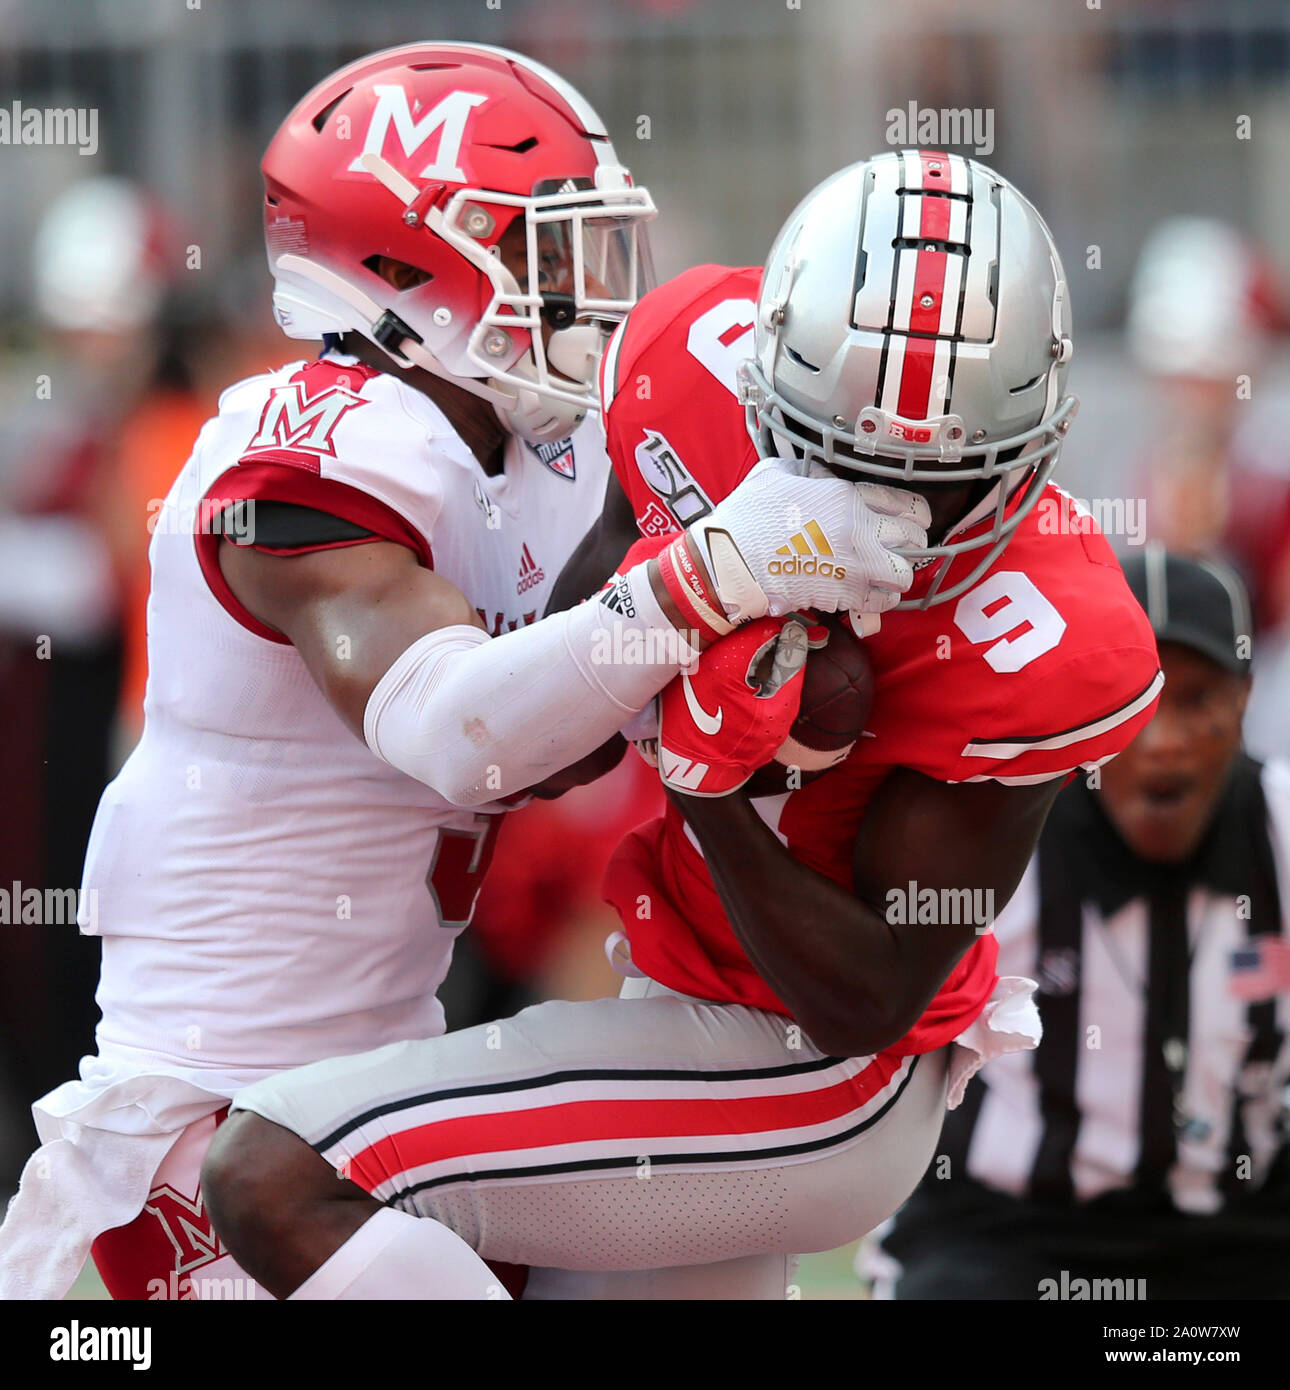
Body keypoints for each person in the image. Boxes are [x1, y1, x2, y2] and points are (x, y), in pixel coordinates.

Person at [0, 42, 899, 1303]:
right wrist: (712, 577)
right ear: (409, 262)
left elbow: (570, 716)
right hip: (210, 1132)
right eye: (545, 251)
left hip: (401, 1098)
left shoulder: (535, 450)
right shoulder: (309, 452)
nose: (587, 292)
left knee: (711, 1219)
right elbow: (458, 730)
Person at [201, 151, 1161, 1302]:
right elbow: (555, 752)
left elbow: (870, 998)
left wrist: (710, 782)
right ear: (763, 387)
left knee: (279, 1169)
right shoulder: (689, 366)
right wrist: (686, 601)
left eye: (944, 483)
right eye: (843, 463)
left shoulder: (1051, 626)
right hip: (680, 983)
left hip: (826, 1078)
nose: (890, 510)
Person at [871, 547, 1290, 1301]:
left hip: (1239, 1239)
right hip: (1014, 1236)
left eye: (1198, 700)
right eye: (1142, 700)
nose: (1163, 743)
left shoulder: (1282, 830)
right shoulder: (996, 835)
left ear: (1246, 699)